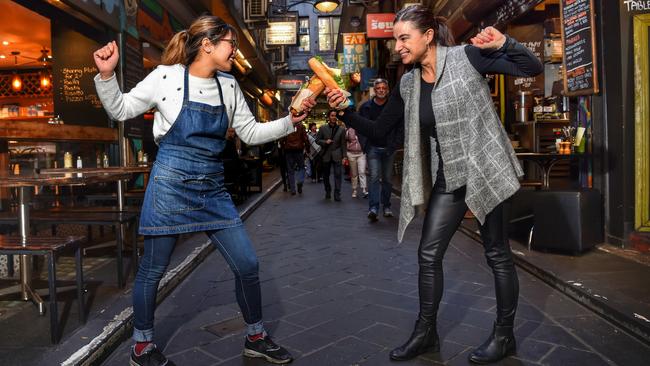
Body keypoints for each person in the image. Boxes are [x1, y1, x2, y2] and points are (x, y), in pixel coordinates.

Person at [325, 5, 542, 364]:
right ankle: (426, 333)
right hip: (450, 174)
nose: (397, 47)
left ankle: (504, 336)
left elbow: (531, 68)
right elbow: (380, 132)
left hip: (486, 166)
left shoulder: (468, 57)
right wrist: (347, 111)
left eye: (403, 38)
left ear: (427, 36)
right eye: (395, 40)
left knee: (497, 254)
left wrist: (507, 42)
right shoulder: (408, 83)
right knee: (428, 253)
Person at [93, 15, 315, 366]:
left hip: (212, 187)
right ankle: (142, 346)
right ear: (208, 44)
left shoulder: (229, 85)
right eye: (231, 44)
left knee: (247, 263)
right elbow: (121, 109)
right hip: (170, 184)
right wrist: (107, 76)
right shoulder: (165, 76)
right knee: (153, 269)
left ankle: (256, 337)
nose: (235, 51)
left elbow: (251, 133)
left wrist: (290, 122)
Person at [358, 78, 402, 221]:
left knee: (388, 180)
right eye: (378, 88)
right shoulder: (366, 107)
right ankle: (373, 208)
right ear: (374, 90)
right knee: (375, 178)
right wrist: (365, 144)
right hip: (373, 148)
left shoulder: (394, 107)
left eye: (384, 88)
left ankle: (387, 206)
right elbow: (361, 127)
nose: (381, 90)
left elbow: (400, 127)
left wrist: (396, 143)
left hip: (389, 148)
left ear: (387, 90)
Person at [316, 110, 347, 201]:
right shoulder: (322, 128)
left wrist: (344, 156)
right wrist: (325, 142)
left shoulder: (341, 129)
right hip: (326, 155)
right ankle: (328, 190)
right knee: (326, 175)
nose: (334, 117)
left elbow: (343, 144)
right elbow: (317, 140)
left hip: (337, 154)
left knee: (338, 174)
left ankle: (337, 194)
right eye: (332, 115)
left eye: (335, 116)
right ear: (329, 117)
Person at [280, 121, 308, 195]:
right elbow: (305, 138)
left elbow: (282, 139)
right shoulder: (301, 126)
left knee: (290, 170)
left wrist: (283, 148)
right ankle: (300, 182)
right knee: (301, 167)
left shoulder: (286, 126)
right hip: (299, 150)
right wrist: (307, 149)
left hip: (288, 150)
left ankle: (293, 189)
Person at [345, 126, 367, 198]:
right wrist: (346, 153)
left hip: (361, 153)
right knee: (354, 174)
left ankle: (364, 189)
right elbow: (345, 142)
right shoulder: (348, 130)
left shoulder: (362, 129)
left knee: (362, 171)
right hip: (351, 154)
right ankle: (354, 190)